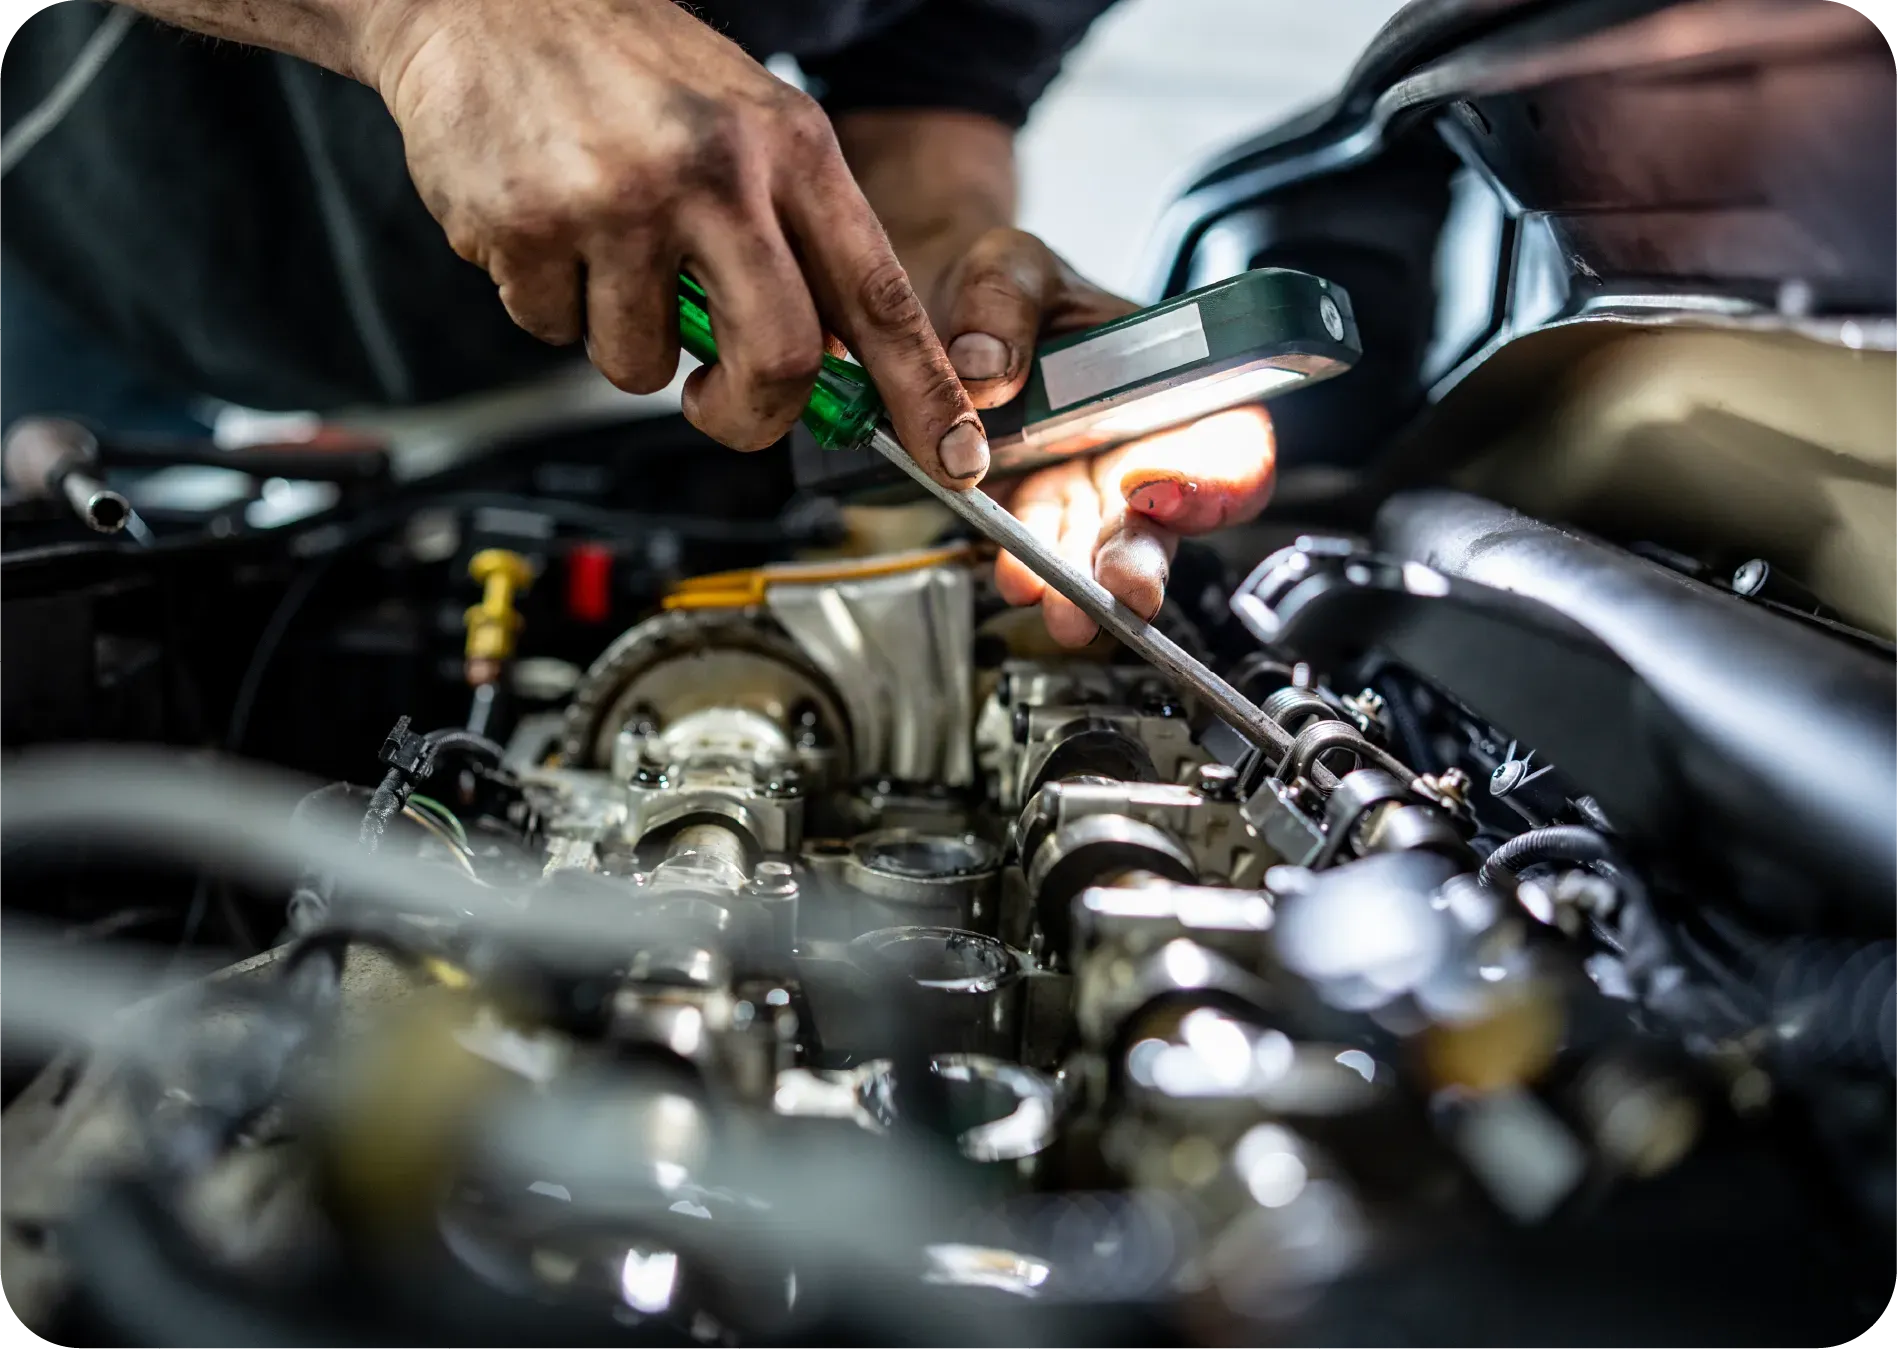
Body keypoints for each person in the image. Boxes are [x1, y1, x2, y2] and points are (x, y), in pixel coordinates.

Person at [0, 0, 1278, 645]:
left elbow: (933, 97)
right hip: (74, 233)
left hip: (509, 323)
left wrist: (935, 286)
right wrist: (438, 18)